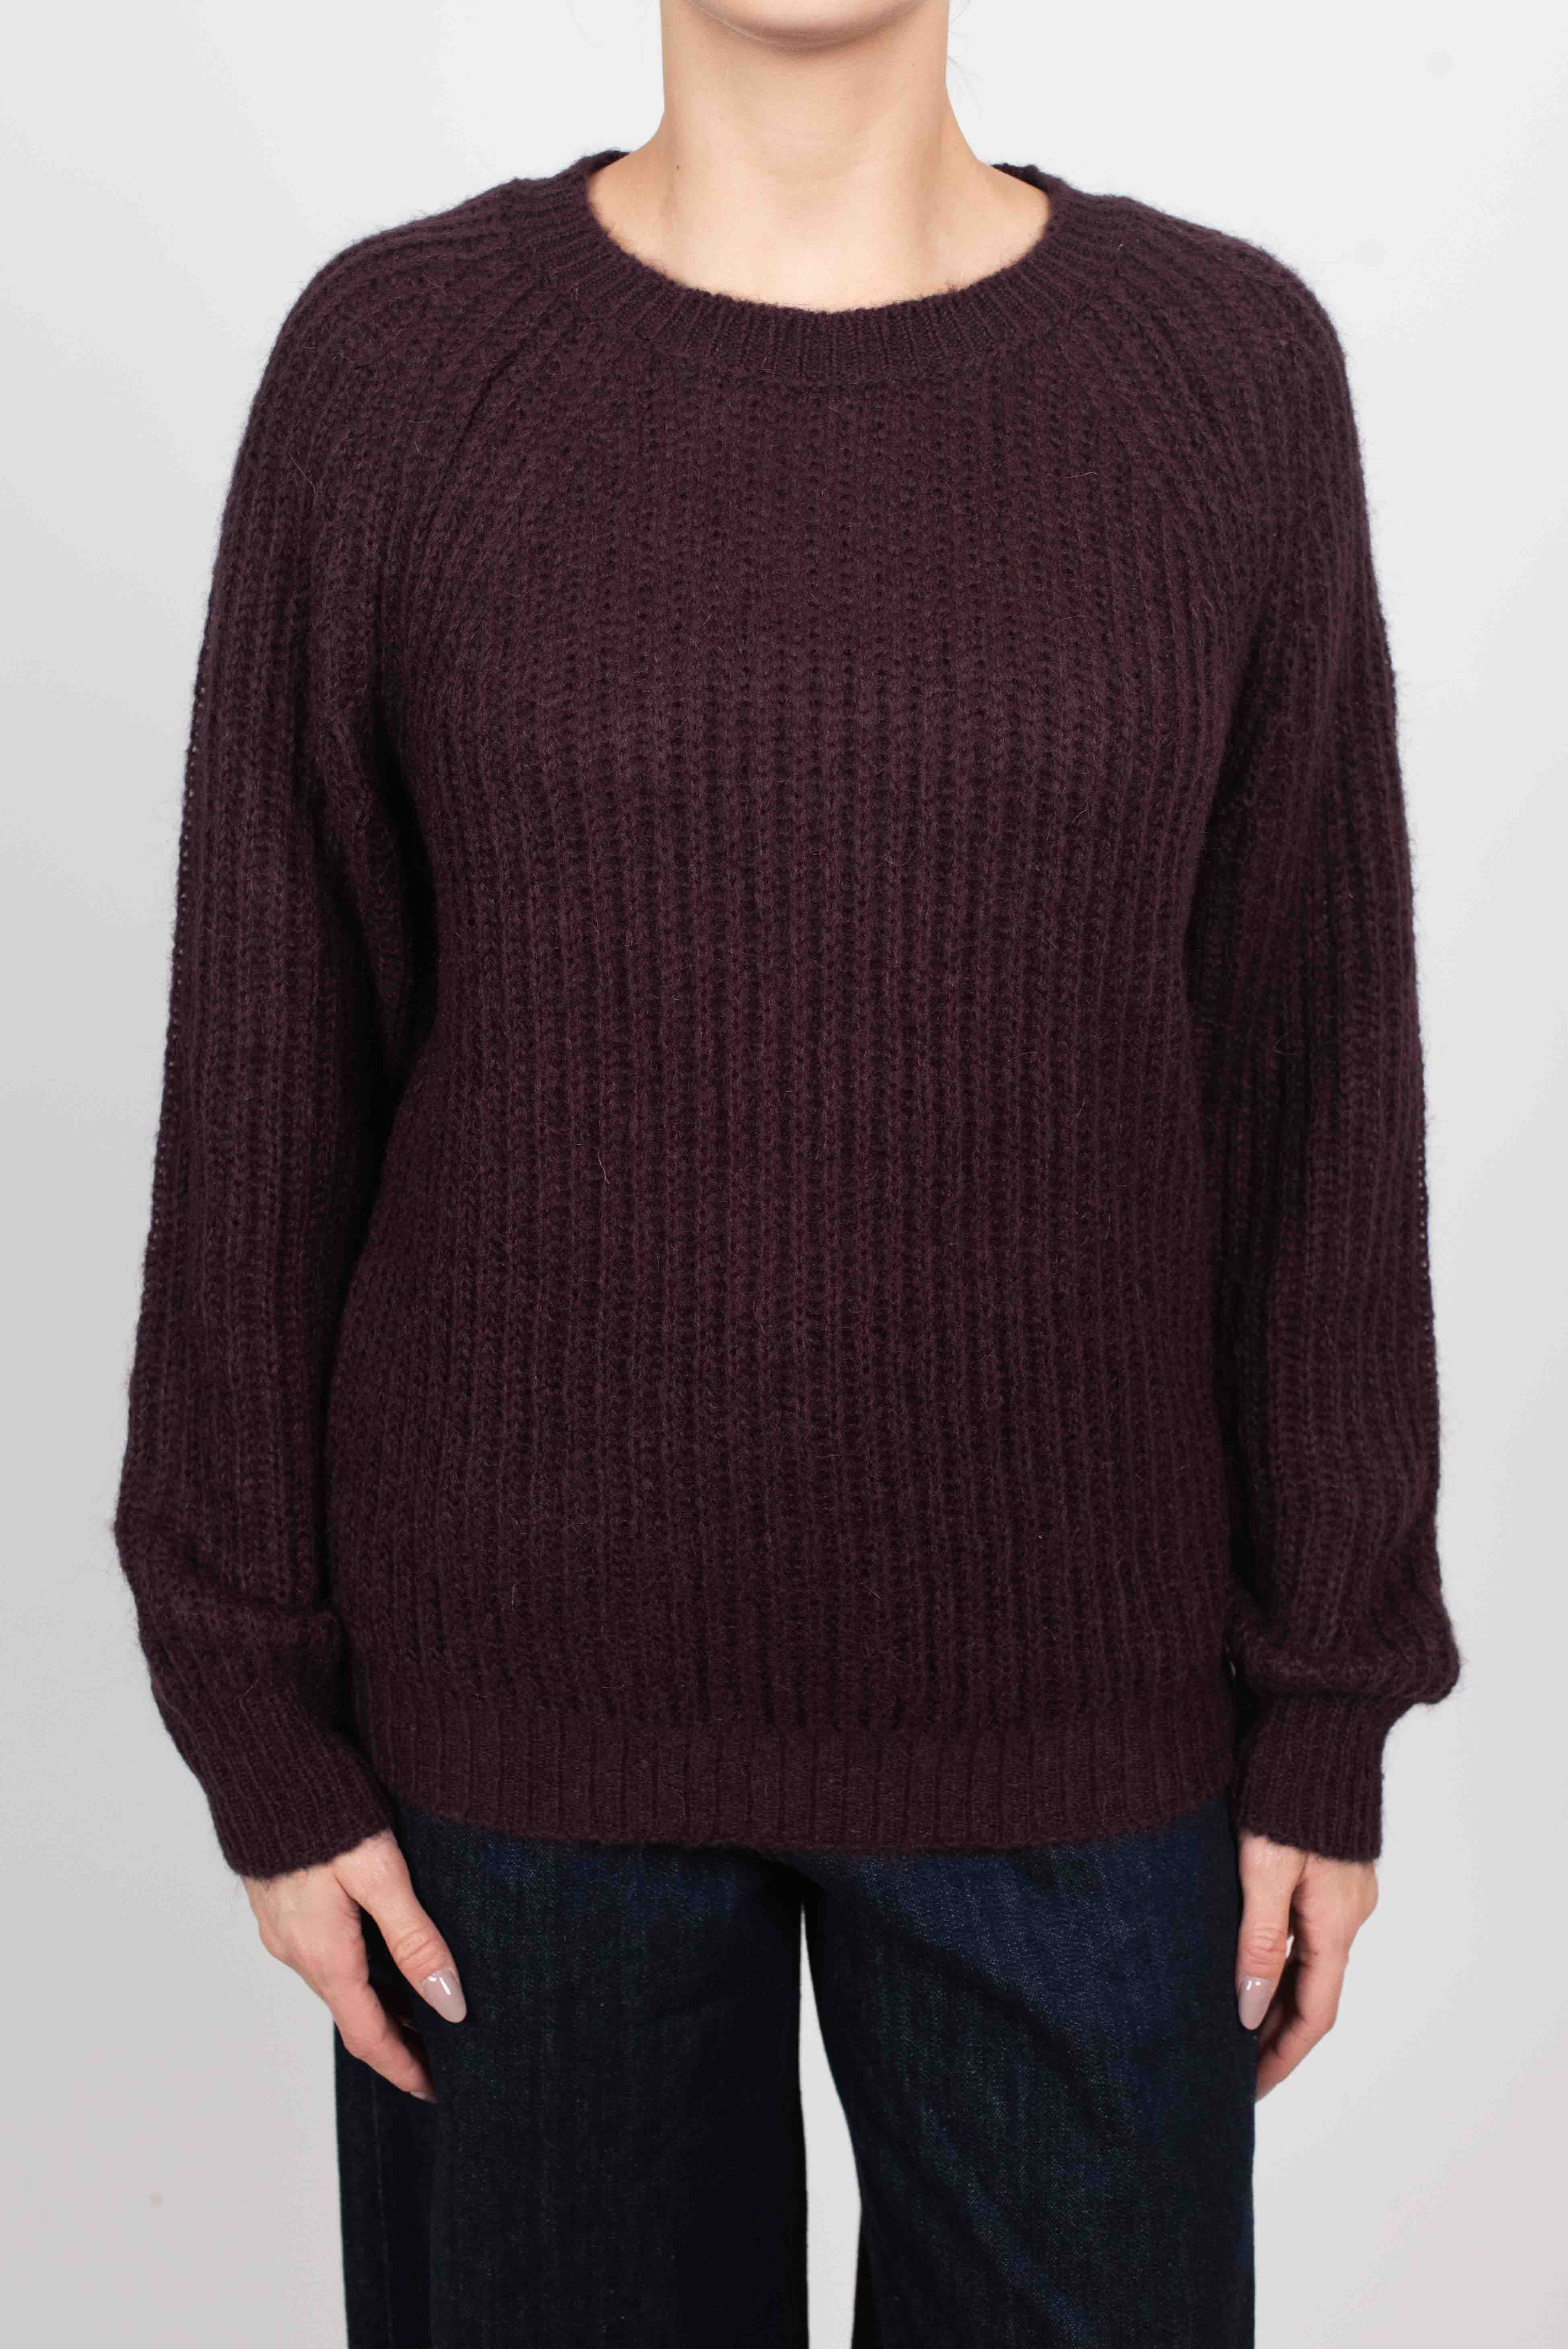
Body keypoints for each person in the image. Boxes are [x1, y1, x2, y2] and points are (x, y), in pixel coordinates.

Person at [110, 2, 1463, 2341]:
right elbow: (272, 1051)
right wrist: (253, 1703)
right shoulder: (398, 369)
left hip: (1087, 1724)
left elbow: (1311, 1068)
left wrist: (1330, 1690)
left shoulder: (1224, 376)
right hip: (506, 1758)